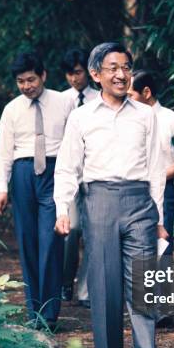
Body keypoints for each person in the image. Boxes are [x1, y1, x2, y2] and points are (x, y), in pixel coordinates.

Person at [54, 42, 168, 348]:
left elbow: (156, 170)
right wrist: (62, 209)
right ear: (96, 74)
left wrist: (159, 216)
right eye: (113, 67)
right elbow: (68, 167)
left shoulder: (146, 115)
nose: (121, 74)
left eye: (127, 67)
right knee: (104, 291)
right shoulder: (82, 117)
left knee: (142, 286)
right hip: (99, 201)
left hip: (139, 203)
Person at [0, 51, 72, 330]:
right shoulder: (12, 109)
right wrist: (2, 189)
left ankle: (49, 314)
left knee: (50, 241)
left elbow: (74, 143)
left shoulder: (64, 102)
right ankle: (33, 312)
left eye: (31, 79)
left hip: (54, 171)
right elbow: (4, 152)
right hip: (23, 173)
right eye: (21, 81)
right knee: (27, 242)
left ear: (43, 75)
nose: (27, 86)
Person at [129, 70, 174, 255]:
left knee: (162, 245)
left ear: (146, 92)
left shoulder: (172, 120)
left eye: (130, 95)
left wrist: (155, 178)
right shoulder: (125, 119)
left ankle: (161, 284)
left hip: (164, 190)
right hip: (131, 189)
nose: (126, 100)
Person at [60, 47, 98, 308]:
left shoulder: (100, 98)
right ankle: (65, 282)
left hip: (96, 174)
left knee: (94, 234)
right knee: (72, 230)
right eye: (69, 74)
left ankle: (85, 289)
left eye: (78, 72)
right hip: (72, 175)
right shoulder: (60, 100)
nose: (74, 78)